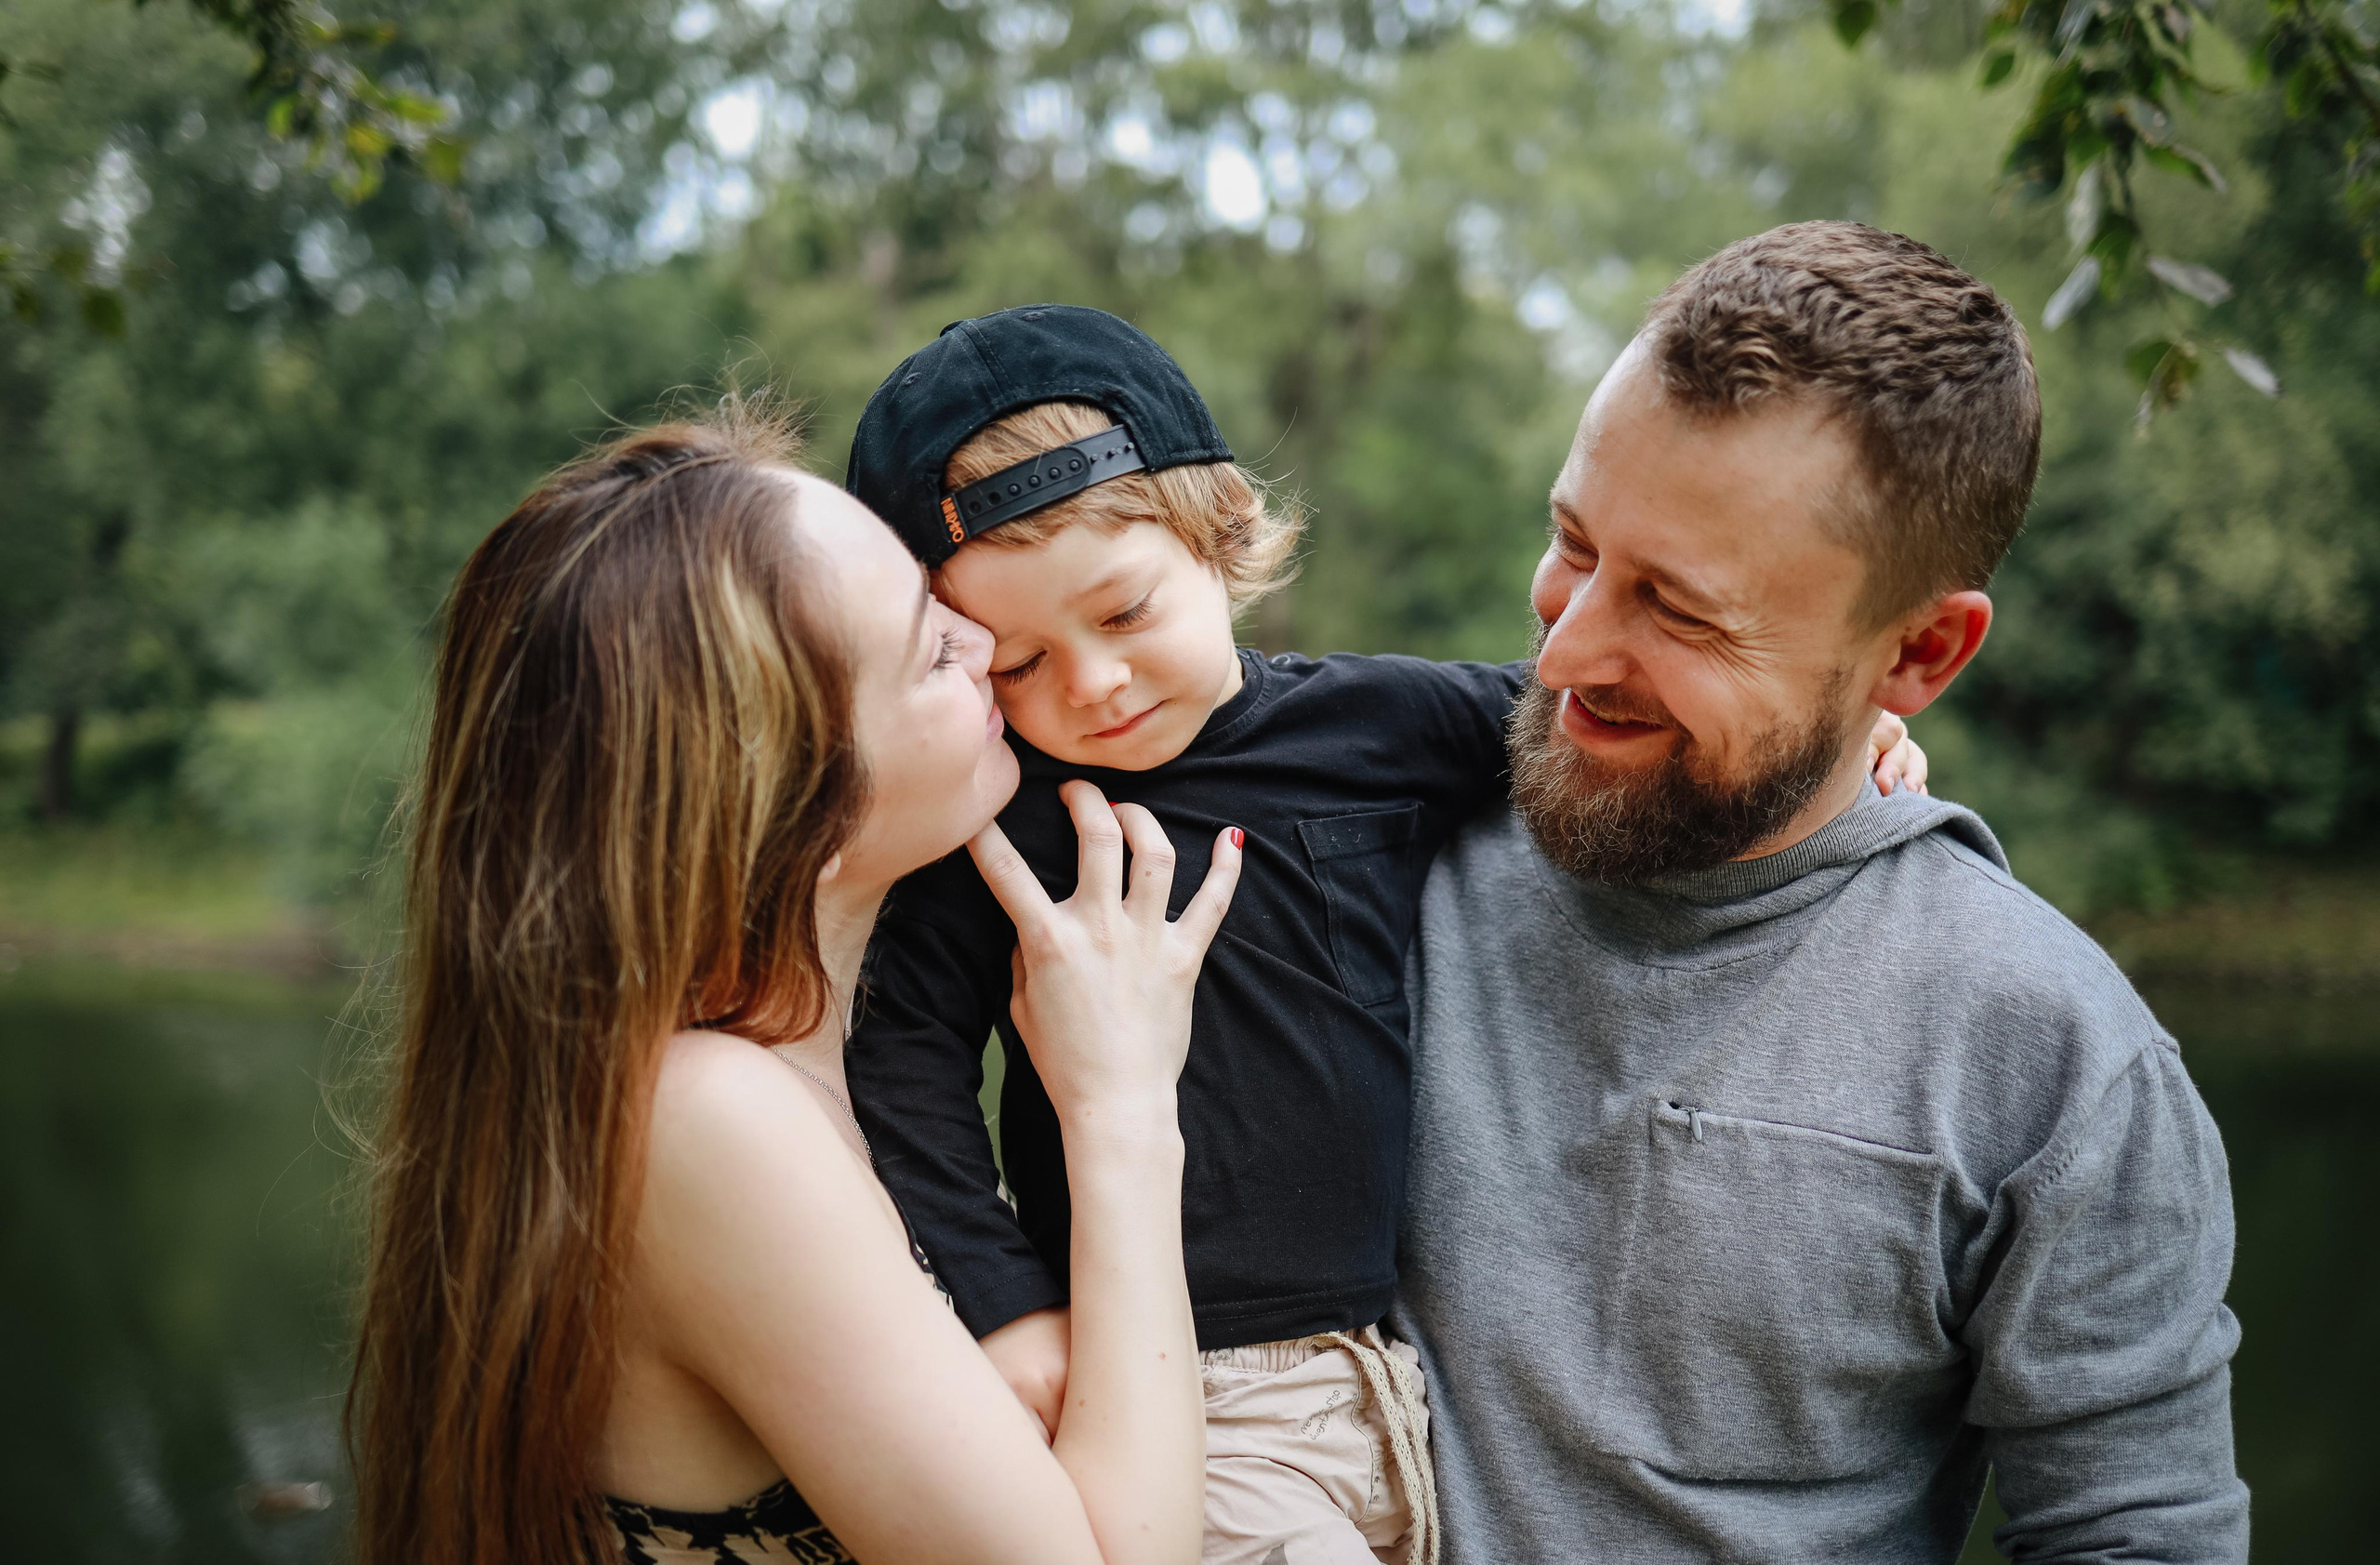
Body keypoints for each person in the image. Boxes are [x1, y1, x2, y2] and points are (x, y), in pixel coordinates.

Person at [839, 306, 1924, 1565]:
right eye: (1017, 661)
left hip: (1399, 1383)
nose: (1091, 684)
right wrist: (1009, 1304)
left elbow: (1612, 735)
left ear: (1227, 535)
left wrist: (1841, 740)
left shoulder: (1376, 723)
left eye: (1124, 614)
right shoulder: (1004, 817)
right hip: (1167, 1383)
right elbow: (901, 1066)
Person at [1389, 221, 2249, 1561]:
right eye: (1573, 541)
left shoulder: (2058, 1062)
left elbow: (2141, 1534)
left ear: (1919, 652)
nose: (1565, 650)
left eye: (1678, 609)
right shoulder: (1367, 839)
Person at [344, 400, 1244, 1565]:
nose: (983, 643)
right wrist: (1121, 1103)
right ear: (786, 806)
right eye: (933, 645)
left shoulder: (779, 1068)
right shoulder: (706, 1119)